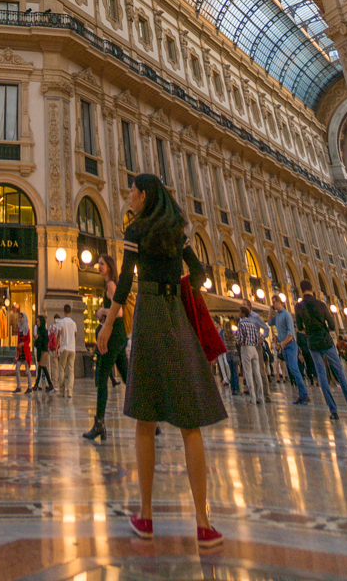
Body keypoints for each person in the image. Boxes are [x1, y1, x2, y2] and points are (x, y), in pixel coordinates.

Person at [97, 173, 225, 551]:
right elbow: (200, 273)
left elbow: (123, 282)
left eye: (133, 192)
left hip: (150, 313)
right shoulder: (177, 229)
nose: (129, 197)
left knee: (144, 417)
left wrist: (107, 324)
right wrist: (183, 287)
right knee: (191, 423)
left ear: (144, 194)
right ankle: (203, 523)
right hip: (177, 316)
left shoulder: (136, 231)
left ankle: (147, 515)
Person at [295, 280, 347, 423]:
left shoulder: (299, 306)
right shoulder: (321, 304)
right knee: (340, 374)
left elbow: (300, 326)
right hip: (326, 341)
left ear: (301, 290)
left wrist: (308, 331)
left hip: (312, 343)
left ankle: (333, 411)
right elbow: (332, 324)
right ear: (311, 289)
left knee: (322, 376)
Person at [84, 254, 128, 441]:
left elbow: (119, 312)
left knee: (102, 378)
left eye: (102, 264)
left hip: (112, 337)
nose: (99, 267)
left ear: (109, 266)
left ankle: (99, 424)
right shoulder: (110, 285)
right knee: (128, 378)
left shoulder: (111, 285)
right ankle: (152, 421)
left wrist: (102, 311)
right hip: (118, 337)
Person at [272, 299, 308, 404]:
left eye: (275, 302)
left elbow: (291, 333)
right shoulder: (277, 316)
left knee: (294, 368)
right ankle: (302, 395)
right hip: (283, 346)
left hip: (290, 345)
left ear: (280, 303)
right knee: (291, 370)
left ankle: (304, 395)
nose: (273, 304)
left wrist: (283, 343)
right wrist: (270, 310)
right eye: (272, 302)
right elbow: (269, 322)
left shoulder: (286, 315)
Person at [235, 306, 265, 405]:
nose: (239, 314)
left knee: (248, 373)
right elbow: (257, 337)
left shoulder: (241, 323)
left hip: (246, 348)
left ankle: (253, 397)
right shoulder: (252, 324)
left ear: (243, 314)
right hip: (254, 348)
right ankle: (260, 396)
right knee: (257, 373)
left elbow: (241, 338)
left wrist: (237, 338)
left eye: (240, 312)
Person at [57, 304, 77, 399]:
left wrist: (57, 346)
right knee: (71, 370)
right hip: (72, 349)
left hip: (64, 348)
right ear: (71, 312)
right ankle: (70, 391)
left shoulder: (61, 322)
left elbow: (59, 335)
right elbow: (75, 334)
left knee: (61, 368)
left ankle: (61, 390)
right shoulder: (73, 323)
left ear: (64, 311)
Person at [31, 314, 54, 392]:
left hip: (43, 351)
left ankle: (37, 385)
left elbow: (44, 341)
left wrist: (38, 338)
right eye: (37, 321)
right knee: (43, 368)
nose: (37, 323)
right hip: (40, 350)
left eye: (38, 321)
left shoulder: (44, 331)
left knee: (41, 367)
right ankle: (50, 384)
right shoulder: (39, 330)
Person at [13, 305, 32, 392]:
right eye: (19, 318)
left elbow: (29, 340)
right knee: (17, 369)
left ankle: (29, 387)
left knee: (27, 371)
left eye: (21, 318)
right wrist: (17, 350)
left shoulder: (27, 329)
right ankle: (19, 386)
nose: (20, 320)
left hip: (25, 352)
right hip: (20, 352)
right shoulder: (19, 329)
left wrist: (23, 344)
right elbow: (18, 340)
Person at [222, 321, 241, 396]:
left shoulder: (224, 334)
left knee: (231, 372)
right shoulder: (233, 334)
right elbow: (237, 341)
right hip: (234, 353)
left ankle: (232, 389)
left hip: (228, 353)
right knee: (235, 372)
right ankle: (237, 388)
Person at [48, 315, 61, 392]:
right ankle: (60, 384)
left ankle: (55, 384)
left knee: (54, 366)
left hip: (53, 348)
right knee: (61, 367)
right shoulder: (62, 325)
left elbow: (49, 337)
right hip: (61, 347)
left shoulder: (51, 327)